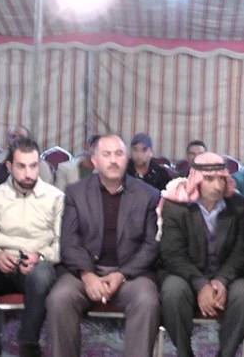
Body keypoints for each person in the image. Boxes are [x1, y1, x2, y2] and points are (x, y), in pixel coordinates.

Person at [46, 134, 161, 357]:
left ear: (127, 158)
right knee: (59, 299)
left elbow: (151, 245)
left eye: (119, 154)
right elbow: (69, 241)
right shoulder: (76, 193)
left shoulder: (148, 195)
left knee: (147, 301)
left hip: (130, 274)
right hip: (85, 272)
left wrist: (121, 275)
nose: (113, 160)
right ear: (94, 160)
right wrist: (87, 275)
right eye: (106, 154)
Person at [0, 138, 64, 357]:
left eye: (33, 166)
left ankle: (28, 346)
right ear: (9, 166)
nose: (28, 173)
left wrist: (40, 256)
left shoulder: (55, 198)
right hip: (3, 264)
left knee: (41, 276)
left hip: (38, 265)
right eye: (21, 166)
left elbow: (62, 243)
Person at [159, 152, 244, 357]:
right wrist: (201, 284)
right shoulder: (176, 206)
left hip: (226, 275)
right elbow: (172, 254)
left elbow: (241, 251)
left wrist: (221, 280)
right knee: (172, 292)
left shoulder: (238, 205)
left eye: (221, 179)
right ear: (196, 179)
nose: (217, 186)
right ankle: (184, 353)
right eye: (209, 179)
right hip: (186, 275)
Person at [0, 125, 53, 189]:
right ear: (8, 140)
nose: (17, 139)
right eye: (13, 136)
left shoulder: (40, 164)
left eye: (21, 137)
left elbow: (47, 189)